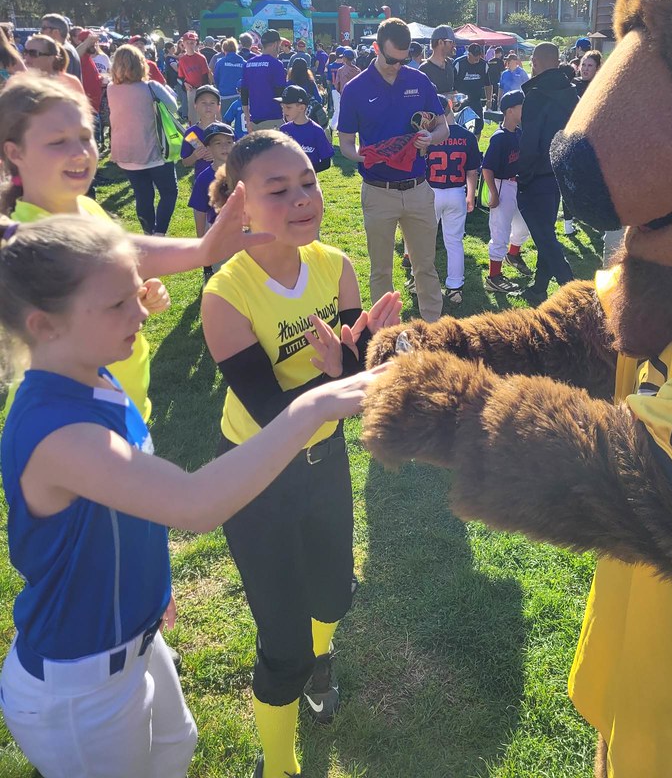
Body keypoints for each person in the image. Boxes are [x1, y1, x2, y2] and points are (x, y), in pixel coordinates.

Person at [0, 211, 386, 778]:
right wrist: (316, 405)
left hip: (135, 640)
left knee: (177, 748)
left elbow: (123, 507)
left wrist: (152, 583)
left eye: (133, 292)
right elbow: (194, 503)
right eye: (118, 304)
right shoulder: (57, 430)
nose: (142, 312)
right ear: (45, 325)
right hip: (80, 683)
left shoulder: (92, 378)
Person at [201, 130, 401, 778]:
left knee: (335, 596)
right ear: (240, 205)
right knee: (282, 646)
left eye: (308, 183)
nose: (302, 199)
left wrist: (376, 351)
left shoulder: (335, 265)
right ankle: (281, 764)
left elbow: (355, 370)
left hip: (325, 461)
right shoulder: (225, 294)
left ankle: (323, 663)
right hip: (256, 477)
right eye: (279, 189)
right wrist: (338, 375)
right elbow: (270, 414)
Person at [0, 73, 281, 421]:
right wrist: (203, 250)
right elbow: (91, 254)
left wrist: (134, 295)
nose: (79, 152)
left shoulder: (83, 207)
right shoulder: (24, 231)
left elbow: (113, 259)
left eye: (85, 137)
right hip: (70, 422)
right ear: (15, 153)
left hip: (123, 407)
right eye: (58, 141)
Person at [338, 17, 448, 322]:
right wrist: (362, 157)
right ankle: (385, 333)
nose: (396, 66)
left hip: (417, 188)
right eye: (391, 60)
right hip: (378, 191)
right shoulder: (355, 89)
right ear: (376, 48)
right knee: (381, 270)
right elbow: (345, 142)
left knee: (425, 266)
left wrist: (430, 138)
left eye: (403, 60)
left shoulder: (419, 81)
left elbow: (443, 128)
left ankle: (433, 329)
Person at [515, 42, 579, 304]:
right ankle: (539, 288)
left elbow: (530, 141)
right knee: (546, 233)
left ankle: (573, 294)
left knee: (545, 238)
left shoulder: (536, 96)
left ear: (536, 63)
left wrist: (522, 176)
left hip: (537, 175)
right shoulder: (572, 93)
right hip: (560, 173)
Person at [107, 44, 179, 236]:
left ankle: (148, 233)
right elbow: (174, 107)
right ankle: (159, 233)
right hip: (153, 150)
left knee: (143, 195)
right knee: (169, 192)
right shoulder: (151, 87)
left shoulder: (111, 89)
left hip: (125, 153)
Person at [425, 94, 481, 305]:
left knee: (424, 239)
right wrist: (470, 195)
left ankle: (418, 281)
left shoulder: (429, 136)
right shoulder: (467, 136)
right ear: (450, 106)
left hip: (431, 191)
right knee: (454, 242)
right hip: (457, 191)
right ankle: (455, 287)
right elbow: (472, 171)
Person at [482, 90, 532, 293]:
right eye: (522, 106)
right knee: (500, 232)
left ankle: (513, 254)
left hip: (516, 185)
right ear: (510, 111)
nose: (525, 110)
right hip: (502, 186)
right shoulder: (499, 138)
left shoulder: (518, 132)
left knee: (524, 226)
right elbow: (487, 168)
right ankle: (493, 277)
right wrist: (494, 193)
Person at [188, 121, 235, 246]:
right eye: (218, 143)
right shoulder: (204, 178)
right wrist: (201, 242)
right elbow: (199, 211)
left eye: (228, 142)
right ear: (208, 148)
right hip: (218, 235)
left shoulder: (245, 172)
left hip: (245, 233)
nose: (224, 147)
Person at [277, 85, 334, 173]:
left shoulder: (316, 130)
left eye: (288, 107)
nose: (284, 111)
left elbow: (326, 163)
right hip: (288, 180)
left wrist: (304, 172)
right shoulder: (284, 129)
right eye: (282, 107)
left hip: (308, 180)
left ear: (302, 108)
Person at [239, 28, 286, 132]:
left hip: (254, 120)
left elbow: (244, 93)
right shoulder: (276, 64)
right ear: (275, 44)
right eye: (280, 44)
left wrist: (248, 120)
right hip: (273, 119)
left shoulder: (248, 63)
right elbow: (281, 93)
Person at [180, 85, 221, 178]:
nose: (208, 107)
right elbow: (185, 162)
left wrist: (218, 154)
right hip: (202, 180)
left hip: (224, 180)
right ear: (196, 106)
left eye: (212, 103)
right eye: (203, 103)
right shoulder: (191, 133)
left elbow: (237, 156)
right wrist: (194, 156)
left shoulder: (226, 131)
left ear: (218, 107)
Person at [453, 42, 492, 140]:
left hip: (476, 101)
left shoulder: (483, 65)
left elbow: (488, 84)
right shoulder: (459, 63)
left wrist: (489, 100)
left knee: (478, 126)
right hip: (461, 102)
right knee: (460, 127)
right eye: (475, 56)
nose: (477, 58)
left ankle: (475, 145)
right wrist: (454, 102)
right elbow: (452, 85)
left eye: (478, 56)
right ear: (469, 54)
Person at [177, 31, 211, 125]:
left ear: (195, 43)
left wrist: (204, 90)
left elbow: (205, 76)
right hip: (191, 89)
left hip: (201, 89)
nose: (190, 45)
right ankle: (193, 132)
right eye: (187, 43)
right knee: (192, 114)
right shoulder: (182, 59)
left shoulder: (201, 58)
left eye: (192, 43)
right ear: (183, 44)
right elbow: (180, 77)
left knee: (202, 112)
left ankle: (204, 130)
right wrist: (184, 83)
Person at [40, 13, 81, 80]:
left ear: (56, 32)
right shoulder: (68, 47)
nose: (41, 31)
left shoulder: (64, 51)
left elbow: (62, 80)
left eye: (44, 28)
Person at [419, 24, 456, 95]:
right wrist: (447, 96)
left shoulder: (450, 63)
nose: (454, 45)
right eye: (451, 42)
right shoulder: (424, 69)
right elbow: (422, 96)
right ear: (440, 42)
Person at [213, 37, 246, 113]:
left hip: (224, 96)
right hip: (239, 96)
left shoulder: (220, 63)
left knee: (225, 118)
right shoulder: (244, 63)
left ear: (224, 49)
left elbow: (216, 78)